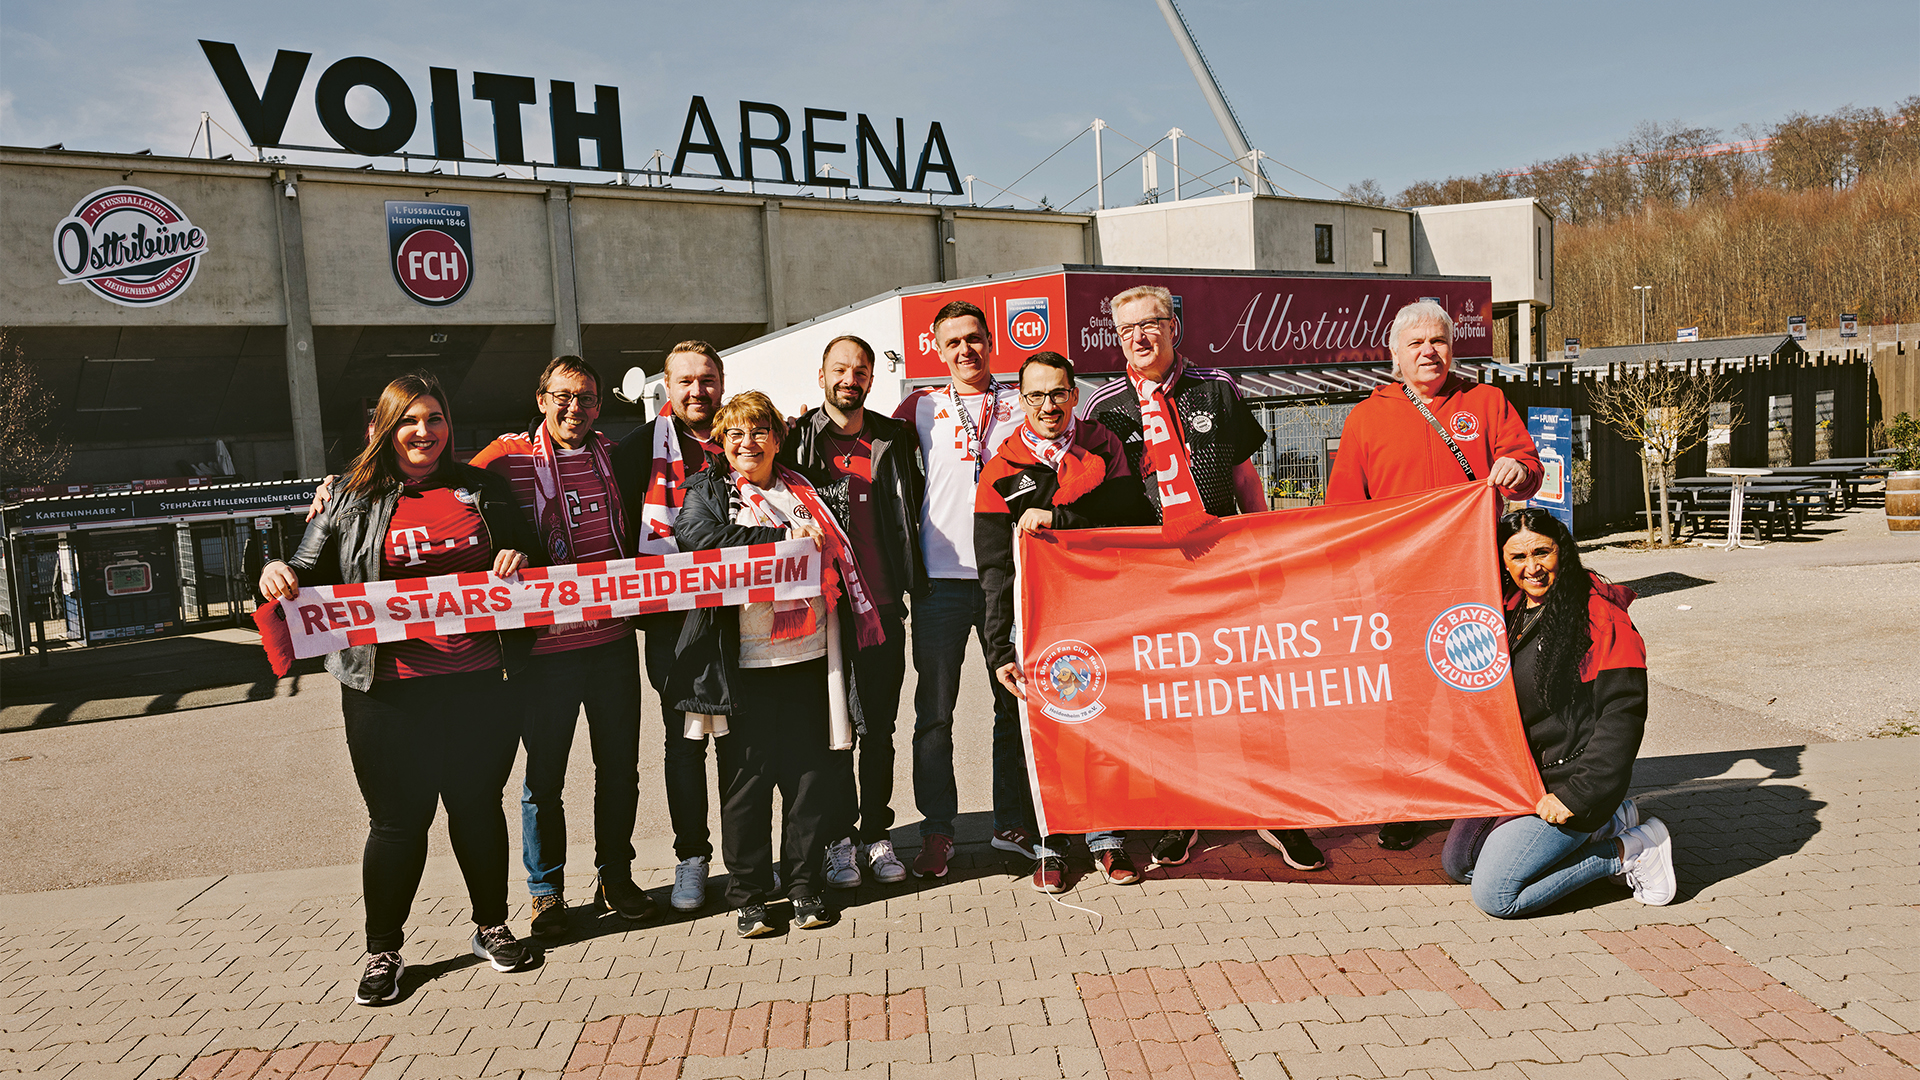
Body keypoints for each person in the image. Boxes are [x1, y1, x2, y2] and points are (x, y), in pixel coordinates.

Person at [258, 371, 543, 1006]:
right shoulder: (345, 498)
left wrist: (518, 556)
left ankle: (491, 929)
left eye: (435, 418)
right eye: (410, 420)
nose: (424, 432)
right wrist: (278, 571)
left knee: (476, 806)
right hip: (385, 689)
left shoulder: (483, 488)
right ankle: (383, 951)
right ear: (383, 428)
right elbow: (307, 567)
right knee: (397, 823)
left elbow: (536, 554)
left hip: (479, 683)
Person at [1078, 285, 1325, 874]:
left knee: (1251, 693)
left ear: (1173, 326)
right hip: (1150, 578)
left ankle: (1276, 813)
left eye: (1151, 324)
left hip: (1223, 566)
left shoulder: (1218, 387)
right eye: (1127, 329)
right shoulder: (1103, 407)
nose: (1140, 337)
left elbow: (1245, 479)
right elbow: (1091, 496)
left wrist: (1270, 549)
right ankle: (1181, 815)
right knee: (1174, 702)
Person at [1327, 299, 1543, 851]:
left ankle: (1480, 793)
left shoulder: (1487, 402)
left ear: (1453, 347)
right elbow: (1343, 508)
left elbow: (1528, 466)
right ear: (1394, 354)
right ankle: (1410, 801)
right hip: (1397, 585)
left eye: (1439, 342)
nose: (1429, 352)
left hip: (1476, 580)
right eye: (1416, 344)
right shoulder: (1366, 417)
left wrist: (1518, 469)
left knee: (1478, 687)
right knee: (1405, 699)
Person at [668, 391, 887, 937]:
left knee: (810, 780)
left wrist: (796, 533)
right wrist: (781, 540)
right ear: (721, 440)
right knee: (745, 785)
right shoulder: (710, 491)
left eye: (759, 430)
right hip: (743, 662)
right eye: (736, 433)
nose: (748, 442)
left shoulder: (803, 490)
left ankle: (804, 886)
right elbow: (698, 537)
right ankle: (747, 894)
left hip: (810, 657)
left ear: (776, 436)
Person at [469, 356, 655, 937]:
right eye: (564, 396)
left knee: (619, 769)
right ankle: (545, 889)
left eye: (589, 399)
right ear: (541, 397)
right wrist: (340, 487)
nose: (576, 408)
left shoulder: (616, 455)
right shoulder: (506, 457)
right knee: (544, 777)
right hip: (546, 652)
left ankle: (614, 874)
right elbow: (436, 481)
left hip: (613, 643)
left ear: (601, 406)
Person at [976, 352, 1157, 892]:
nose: (1048, 405)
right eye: (1036, 396)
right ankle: (1051, 843)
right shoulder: (1002, 467)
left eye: (1057, 393)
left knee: (1104, 723)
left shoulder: (1103, 444)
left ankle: (1108, 838)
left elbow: (1133, 514)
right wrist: (998, 649)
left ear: (1074, 394)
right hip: (1034, 621)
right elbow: (993, 566)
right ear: (1022, 400)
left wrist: (1060, 518)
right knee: (1043, 732)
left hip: (1100, 610)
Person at [1440, 507, 1675, 916]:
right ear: (1502, 561)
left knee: (1496, 896)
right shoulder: (1505, 611)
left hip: (1572, 782)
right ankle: (1610, 823)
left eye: (1542, 553)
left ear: (1561, 551)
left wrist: (1577, 796)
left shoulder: (1600, 617)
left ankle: (1630, 849)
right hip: (1520, 779)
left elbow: (1623, 714)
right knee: (1460, 865)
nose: (1532, 567)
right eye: (1517, 557)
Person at [892, 301, 1036, 878]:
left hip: (1011, 581)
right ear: (934, 346)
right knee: (934, 716)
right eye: (952, 342)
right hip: (939, 585)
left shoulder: (1021, 401)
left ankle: (1012, 822)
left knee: (1014, 707)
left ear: (991, 339)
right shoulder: (918, 407)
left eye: (974, 338)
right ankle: (938, 830)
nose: (965, 351)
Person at [779, 335, 924, 888]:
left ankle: (877, 834)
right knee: (833, 730)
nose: (850, 379)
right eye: (839, 369)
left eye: (860, 370)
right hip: (823, 610)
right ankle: (839, 840)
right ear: (820, 377)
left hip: (883, 606)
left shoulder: (895, 436)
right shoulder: (794, 440)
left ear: (871, 378)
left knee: (880, 728)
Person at [612, 342, 725, 912]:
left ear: (722, 384)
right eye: (685, 381)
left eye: (706, 379)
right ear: (666, 386)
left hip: (741, 616)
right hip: (672, 619)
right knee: (686, 743)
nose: (696, 391)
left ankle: (748, 857)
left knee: (742, 743)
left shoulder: (747, 437)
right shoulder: (637, 450)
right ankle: (691, 857)